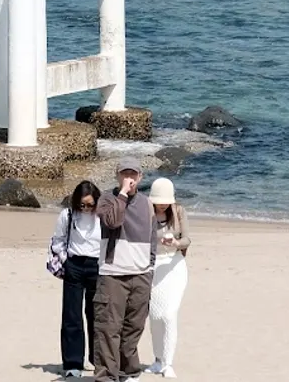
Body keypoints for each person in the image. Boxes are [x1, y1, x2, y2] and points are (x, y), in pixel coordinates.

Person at [92, 159, 158, 382]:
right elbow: (112, 221)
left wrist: (150, 266)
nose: (129, 178)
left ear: (140, 177)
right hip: (112, 274)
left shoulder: (147, 204)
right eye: (124, 174)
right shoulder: (106, 199)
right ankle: (106, 376)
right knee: (108, 328)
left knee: (133, 327)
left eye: (133, 174)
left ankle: (128, 372)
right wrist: (121, 194)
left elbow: (152, 237)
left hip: (141, 274)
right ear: (117, 175)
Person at [50, 180, 102, 378]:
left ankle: (98, 360)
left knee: (96, 315)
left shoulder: (103, 216)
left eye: (90, 205)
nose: (86, 208)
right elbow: (58, 240)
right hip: (74, 264)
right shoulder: (68, 215)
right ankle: (73, 364)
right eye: (82, 204)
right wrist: (66, 261)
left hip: (97, 266)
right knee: (72, 315)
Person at [145, 177, 191, 379]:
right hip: (153, 266)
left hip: (174, 265)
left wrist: (176, 243)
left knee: (169, 314)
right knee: (155, 315)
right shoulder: (146, 213)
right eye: (159, 201)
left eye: (166, 201)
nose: (163, 205)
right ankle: (157, 360)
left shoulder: (178, 211)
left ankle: (168, 363)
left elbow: (187, 239)